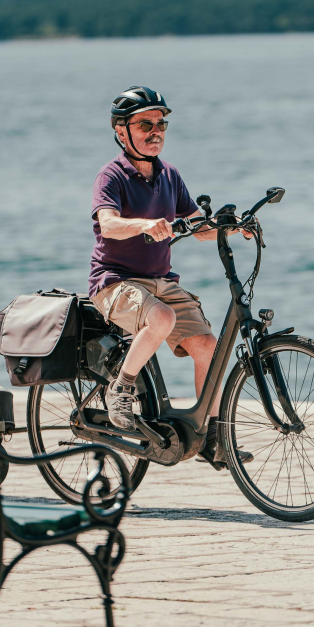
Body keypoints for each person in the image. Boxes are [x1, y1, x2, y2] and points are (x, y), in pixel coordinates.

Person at [88, 86, 251, 467]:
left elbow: (198, 227)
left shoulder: (169, 175)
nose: (156, 130)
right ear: (121, 130)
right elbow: (108, 225)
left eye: (161, 123)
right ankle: (121, 389)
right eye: (145, 123)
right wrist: (145, 225)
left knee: (208, 346)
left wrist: (232, 227)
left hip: (160, 281)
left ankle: (211, 437)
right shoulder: (111, 175)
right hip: (114, 283)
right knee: (162, 317)